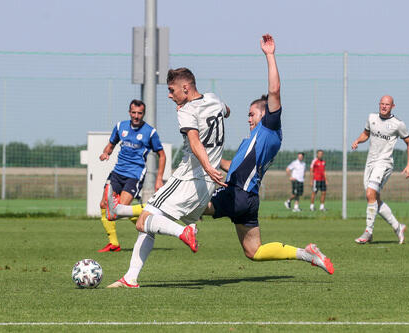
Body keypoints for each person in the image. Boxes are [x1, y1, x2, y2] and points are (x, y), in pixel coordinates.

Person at [205, 34, 333, 274]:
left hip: (238, 193)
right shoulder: (253, 141)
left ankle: (128, 211)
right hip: (249, 198)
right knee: (254, 251)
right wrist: (208, 160)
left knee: (190, 205)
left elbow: (274, 90)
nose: (248, 117)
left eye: (252, 113)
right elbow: (234, 165)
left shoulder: (269, 128)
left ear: (265, 114)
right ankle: (307, 254)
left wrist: (270, 55)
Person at [106, 67, 229, 288]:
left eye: (172, 90)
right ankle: (131, 277)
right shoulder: (213, 99)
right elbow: (226, 111)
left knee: (144, 222)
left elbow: (194, 140)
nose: (170, 95)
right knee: (150, 222)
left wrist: (209, 167)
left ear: (185, 87)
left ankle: (184, 231)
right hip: (207, 185)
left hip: (189, 177)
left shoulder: (185, 110)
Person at [97, 99, 166, 253]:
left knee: (119, 209)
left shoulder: (150, 132)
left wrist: (159, 178)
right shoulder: (120, 126)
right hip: (117, 172)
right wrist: (105, 153)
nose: (136, 116)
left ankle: (150, 214)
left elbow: (162, 155)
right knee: (103, 205)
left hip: (134, 174)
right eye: (133, 112)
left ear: (143, 114)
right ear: (129, 112)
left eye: (139, 113)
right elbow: (111, 145)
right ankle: (114, 243)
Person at [352, 95, 409, 244]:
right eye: (382, 104)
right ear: (379, 104)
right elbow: (366, 133)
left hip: (384, 163)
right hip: (370, 163)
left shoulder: (398, 124)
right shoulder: (371, 118)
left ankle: (368, 232)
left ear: (393, 106)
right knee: (373, 199)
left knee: (370, 193)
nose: (384, 106)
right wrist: (357, 141)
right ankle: (398, 227)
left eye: (387, 104)